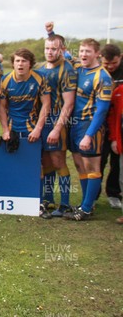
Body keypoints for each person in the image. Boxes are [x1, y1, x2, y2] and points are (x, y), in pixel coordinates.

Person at [0, 48, 51, 218]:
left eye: (24, 61)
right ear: (13, 63)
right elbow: (1, 107)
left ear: (30, 64)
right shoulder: (5, 80)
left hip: (32, 129)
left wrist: (38, 129)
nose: (20, 64)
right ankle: (18, 200)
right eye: (17, 61)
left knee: (37, 166)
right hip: (14, 129)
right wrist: (5, 129)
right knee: (15, 164)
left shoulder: (39, 78)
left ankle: (40, 201)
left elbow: (46, 105)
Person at [64, 39, 113, 221]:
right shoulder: (79, 67)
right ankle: (87, 204)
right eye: (82, 51)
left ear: (97, 54)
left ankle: (85, 208)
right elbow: (64, 53)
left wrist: (89, 135)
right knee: (79, 165)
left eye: (88, 51)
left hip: (90, 126)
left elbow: (102, 110)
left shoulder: (103, 77)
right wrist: (50, 32)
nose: (84, 54)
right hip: (75, 125)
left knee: (91, 166)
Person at [37, 35, 77, 217]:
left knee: (58, 161)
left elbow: (69, 104)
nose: (50, 52)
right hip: (41, 122)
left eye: (54, 49)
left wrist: (57, 128)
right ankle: (48, 198)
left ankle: (66, 204)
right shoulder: (39, 68)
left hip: (56, 122)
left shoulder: (67, 70)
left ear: (62, 49)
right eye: (47, 48)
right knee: (45, 162)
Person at [99, 44, 123, 208]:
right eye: (106, 64)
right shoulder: (97, 70)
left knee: (117, 162)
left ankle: (114, 193)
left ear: (120, 57)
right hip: (100, 122)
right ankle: (93, 195)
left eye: (113, 63)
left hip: (118, 123)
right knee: (98, 159)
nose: (110, 67)